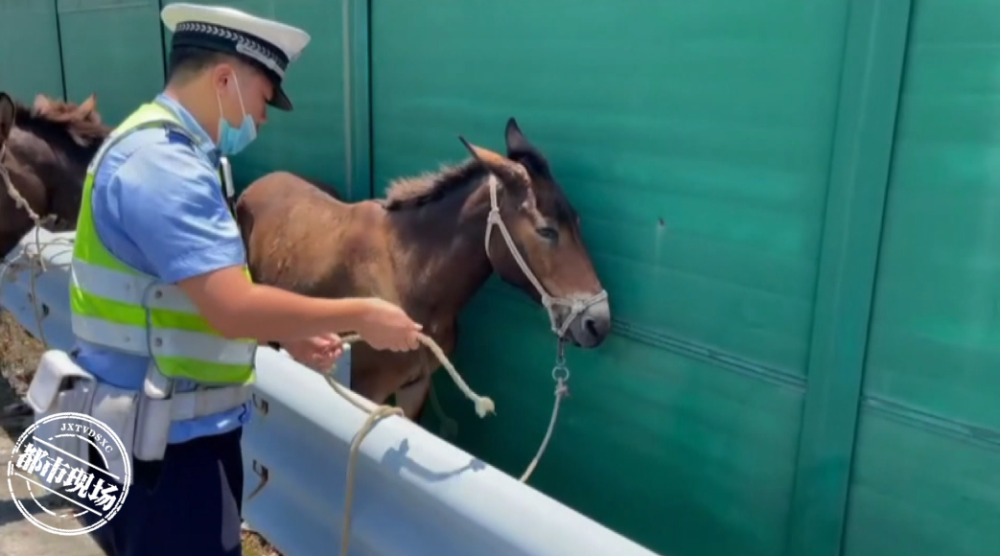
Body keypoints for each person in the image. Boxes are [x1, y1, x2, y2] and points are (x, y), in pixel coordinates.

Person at [67, 3, 422, 555]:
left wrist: (284, 331)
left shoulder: (146, 145)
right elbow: (231, 305)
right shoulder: (169, 169)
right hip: (167, 458)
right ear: (226, 79)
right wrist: (362, 314)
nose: (263, 119)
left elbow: (181, 299)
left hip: (144, 439)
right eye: (263, 99)